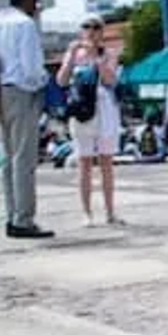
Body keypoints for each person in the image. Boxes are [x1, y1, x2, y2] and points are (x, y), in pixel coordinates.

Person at [0, 0, 53, 238]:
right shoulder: (24, 25)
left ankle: (12, 214)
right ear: (28, 0)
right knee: (24, 159)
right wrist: (43, 82)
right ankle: (24, 219)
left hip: (1, 91)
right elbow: (30, 67)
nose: (36, 8)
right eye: (35, 2)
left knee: (9, 158)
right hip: (22, 91)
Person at [56, 14, 123, 226]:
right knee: (84, 162)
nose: (91, 31)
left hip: (104, 109)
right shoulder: (74, 54)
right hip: (82, 110)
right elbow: (61, 80)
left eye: (96, 27)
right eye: (87, 27)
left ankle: (110, 211)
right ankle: (86, 212)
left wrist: (98, 59)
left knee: (106, 162)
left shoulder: (108, 53)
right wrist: (72, 56)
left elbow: (111, 80)